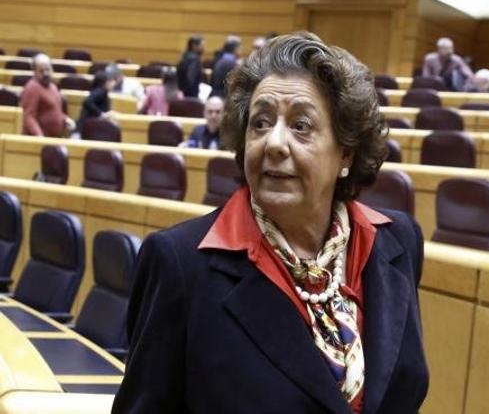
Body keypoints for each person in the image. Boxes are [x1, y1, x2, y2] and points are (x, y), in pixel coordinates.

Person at [113, 32, 428, 413]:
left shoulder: (397, 243)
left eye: (301, 126)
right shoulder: (180, 264)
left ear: (346, 152)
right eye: (260, 122)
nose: (274, 142)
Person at [20, 54, 75, 137]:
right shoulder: (32, 88)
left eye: (48, 69)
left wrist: (65, 119)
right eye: (41, 71)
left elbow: (54, 109)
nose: (46, 73)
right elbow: (29, 116)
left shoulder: (53, 86)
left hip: (53, 139)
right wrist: (39, 136)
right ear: (34, 72)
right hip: (38, 141)